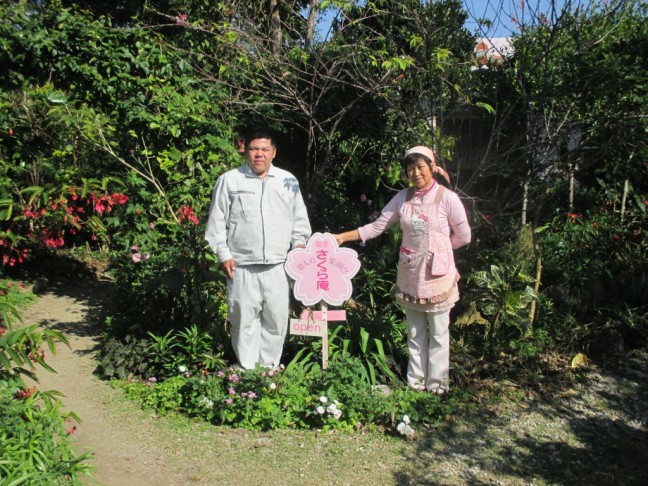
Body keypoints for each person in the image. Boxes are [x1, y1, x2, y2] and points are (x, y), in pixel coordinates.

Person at [333, 146, 471, 393]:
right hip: (411, 275)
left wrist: (443, 255)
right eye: (411, 168)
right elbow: (377, 227)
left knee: (439, 333)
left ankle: (437, 386)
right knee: (415, 332)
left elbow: (464, 235)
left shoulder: (446, 197)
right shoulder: (402, 198)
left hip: (439, 277)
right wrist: (343, 237)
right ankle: (416, 384)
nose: (416, 173)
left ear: (432, 166)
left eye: (420, 167)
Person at [205, 128, 312, 369]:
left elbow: (299, 222)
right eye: (254, 149)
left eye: (264, 149)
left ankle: (269, 371)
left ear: (274, 152)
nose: (259, 155)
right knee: (243, 321)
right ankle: (246, 372)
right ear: (245, 150)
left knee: (276, 320)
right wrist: (223, 254)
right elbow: (216, 223)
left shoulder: (288, 181)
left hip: (278, 265)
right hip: (240, 265)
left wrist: (298, 250)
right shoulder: (230, 180)